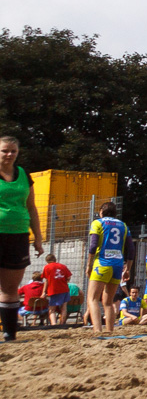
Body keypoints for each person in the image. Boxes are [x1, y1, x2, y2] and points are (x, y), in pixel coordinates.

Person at [0, 136, 45, 341]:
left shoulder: (24, 174)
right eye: (4, 151)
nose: (9, 155)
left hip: (18, 235)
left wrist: (38, 237)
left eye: (13, 151)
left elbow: (31, 207)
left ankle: (10, 332)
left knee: (10, 287)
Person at [86, 201, 128, 333]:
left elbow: (93, 246)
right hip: (118, 264)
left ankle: (97, 330)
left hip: (102, 263)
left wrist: (89, 264)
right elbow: (130, 249)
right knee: (108, 302)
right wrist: (128, 268)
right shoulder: (123, 225)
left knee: (92, 299)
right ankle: (110, 331)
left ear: (101, 212)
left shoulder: (98, 223)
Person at [41, 254, 72, 326]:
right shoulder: (63, 266)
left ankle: (54, 324)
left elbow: (46, 280)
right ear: (55, 259)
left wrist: (44, 292)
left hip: (54, 289)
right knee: (64, 308)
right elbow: (68, 277)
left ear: (47, 261)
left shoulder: (47, 267)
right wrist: (65, 282)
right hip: (64, 289)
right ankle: (62, 324)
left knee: (52, 309)